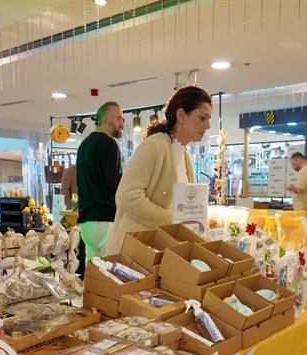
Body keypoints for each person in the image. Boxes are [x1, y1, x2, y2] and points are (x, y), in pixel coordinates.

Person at [106, 86, 212, 254]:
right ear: (181, 115)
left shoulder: (184, 156)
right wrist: (171, 220)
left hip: (159, 249)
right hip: (136, 250)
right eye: (202, 118)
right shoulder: (154, 146)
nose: (208, 125)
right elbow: (126, 197)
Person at [76, 101, 124, 263]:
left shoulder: (84, 145)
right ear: (105, 119)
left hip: (87, 220)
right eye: (118, 118)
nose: (121, 124)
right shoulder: (109, 143)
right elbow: (114, 181)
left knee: (92, 267)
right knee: (108, 269)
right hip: (105, 217)